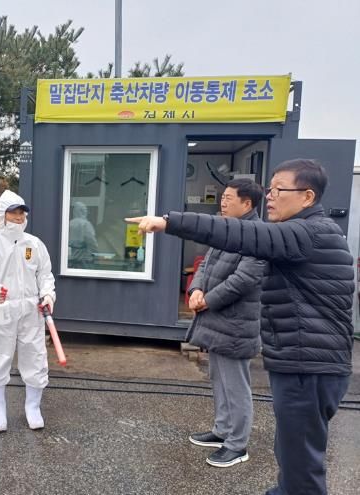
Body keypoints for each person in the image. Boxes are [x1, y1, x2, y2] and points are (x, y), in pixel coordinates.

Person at [126, 159, 354, 494]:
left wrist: (168, 222)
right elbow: (223, 246)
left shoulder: (309, 233)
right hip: (301, 362)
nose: (270, 196)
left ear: (307, 197)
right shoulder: (302, 233)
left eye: (278, 190)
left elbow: (240, 236)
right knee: (292, 453)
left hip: (309, 366)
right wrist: (197, 288)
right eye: (269, 189)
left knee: (302, 463)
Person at [185, 179, 266, 468]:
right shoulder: (226, 229)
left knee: (235, 385)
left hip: (236, 324)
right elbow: (205, 264)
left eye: (229, 198)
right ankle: (221, 431)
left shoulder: (257, 236)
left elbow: (244, 280)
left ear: (247, 203)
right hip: (217, 319)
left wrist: (207, 300)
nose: (223, 201)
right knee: (218, 378)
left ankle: (237, 444)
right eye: (223, 197)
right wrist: (196, 289)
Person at [0, 190, 56, 432]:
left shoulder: (34, 244)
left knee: (35, 358)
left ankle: (33, 408)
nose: (18, 217)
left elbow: (45, 274)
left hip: (31, 311)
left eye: (21, 213)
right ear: (1, 214)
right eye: (13, 212)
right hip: (1, 312)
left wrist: (48, 295)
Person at [68, 201, 98, 268]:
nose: (86, 212)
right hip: (83, 262)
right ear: (81, 211)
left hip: (70, 262)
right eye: (84, 210)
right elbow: (93, 244)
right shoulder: (86, 224)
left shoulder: (69, 223)